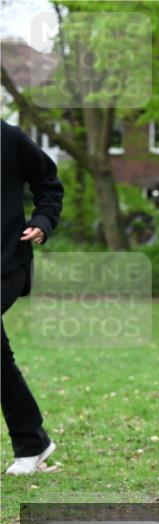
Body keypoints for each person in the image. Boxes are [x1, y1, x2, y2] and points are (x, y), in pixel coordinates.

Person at [1, 120, 63, 475]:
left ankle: (32, 442)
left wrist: (43, 219)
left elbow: (48, 183)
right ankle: (33, 442)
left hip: (6, 265)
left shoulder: (8, 139)